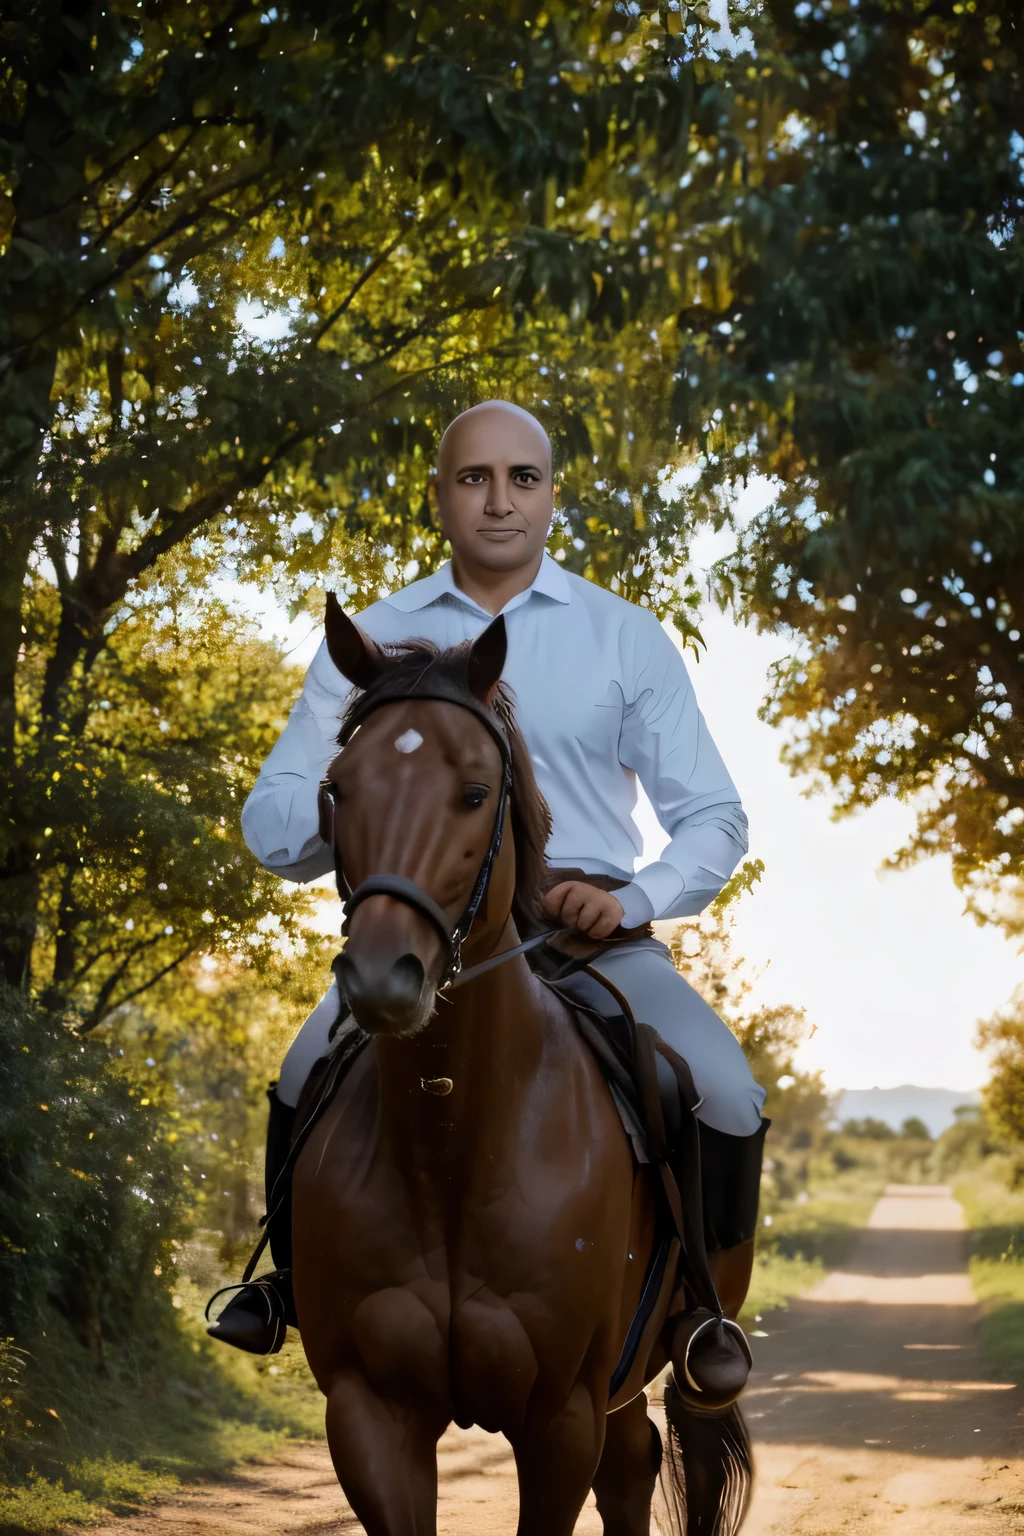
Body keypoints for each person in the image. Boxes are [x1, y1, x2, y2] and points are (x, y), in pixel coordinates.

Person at [208, 400, 768, 1356]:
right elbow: (272, 823)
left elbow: (717, 818)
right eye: (474, 478)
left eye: (523, 479)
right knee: (304, 1073)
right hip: (426, 929)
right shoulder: (371, 639)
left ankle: (701, 1321)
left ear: (551, 495)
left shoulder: (622, 635)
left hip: (589, 936)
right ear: (440, 496)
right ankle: (284, 1290)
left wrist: (631, 899)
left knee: (724, 1089)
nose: (499, 501)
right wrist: (373, 805)